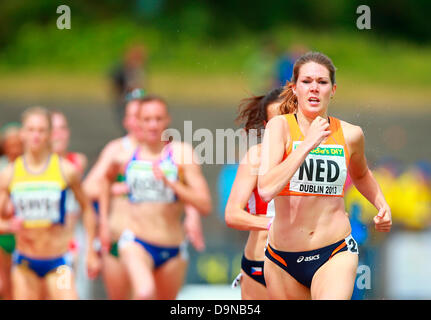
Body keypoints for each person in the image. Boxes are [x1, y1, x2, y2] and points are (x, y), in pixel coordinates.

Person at [258, 51, 392, 300]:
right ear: (294, 88)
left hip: (334, 252)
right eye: (306, 81)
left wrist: (381, 204)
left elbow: (361, 175)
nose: (314, 89)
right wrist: (307, 144)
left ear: (333, 89)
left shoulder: (350, 134)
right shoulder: (279, 127)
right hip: (281, 259)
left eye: (322, 82)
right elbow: (266, 189)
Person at [99, 96, 212, 299]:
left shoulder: (181, 154)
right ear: (138, 122)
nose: (153, 125)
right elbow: (103, 182)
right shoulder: (124, 155)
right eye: (147, 119)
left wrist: (173, 185)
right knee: (144, 292)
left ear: (167, 120)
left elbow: (204, 204)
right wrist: (104, 224)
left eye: (158, 119)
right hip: (136, 241)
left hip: (172, 246)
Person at [0, 107, 100, 299]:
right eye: (31, 130)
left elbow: (87, 208)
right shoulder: (10, 174)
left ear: (49, 134)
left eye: (41, 130)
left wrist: (91, 252)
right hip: (25, 265)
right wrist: (9, 225)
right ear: (22, 134)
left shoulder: (66, 171)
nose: (36, 136)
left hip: (59, 264)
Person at [225, 87, 287, 299]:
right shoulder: (257, 157)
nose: (283, 127)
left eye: (288, 119)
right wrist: (272, 224)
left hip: (302, 260)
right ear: (266, 127)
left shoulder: (315, 155)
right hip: (259, 261)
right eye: (276, 123)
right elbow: (232, 214)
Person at [0, 123, 23, 299]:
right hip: (3, 236)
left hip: (24, 236)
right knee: (4, 285)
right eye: (10, 145)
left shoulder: (28, 167)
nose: (14, 149)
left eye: (17, 145)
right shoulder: (2, 169)